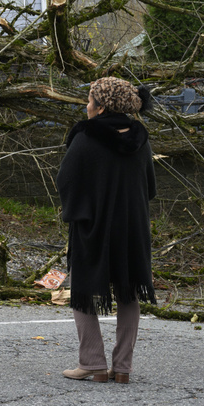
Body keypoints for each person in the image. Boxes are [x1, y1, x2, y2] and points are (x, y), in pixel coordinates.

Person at [56, 76, 157, 384]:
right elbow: (149, 187)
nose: (86, 106)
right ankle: (123, 367)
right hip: (133, 228)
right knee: (129, 292)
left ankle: (93, 362)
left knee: (83, 292)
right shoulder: (141, 140)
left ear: (101, 108)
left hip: (94, 227)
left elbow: (66, 181)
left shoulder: (86, 138)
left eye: (89, 101)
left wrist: (78, 213)